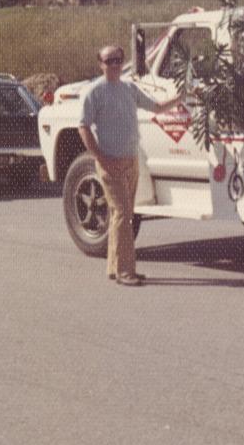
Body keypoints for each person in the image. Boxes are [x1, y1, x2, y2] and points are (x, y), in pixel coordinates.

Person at [78, 45, 182, 286]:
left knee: (120, 215)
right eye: (109, 61)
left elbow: (156, 107)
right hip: (110, 162)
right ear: (100, 64)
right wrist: (101, 158)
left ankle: (116, 267)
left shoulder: (128, 88)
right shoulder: (94, 92)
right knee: (124, 215)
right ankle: (126, 272)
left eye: (118, 60)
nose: (114, 64)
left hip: (131, 160)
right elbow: (83, 127)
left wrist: (180, 98)